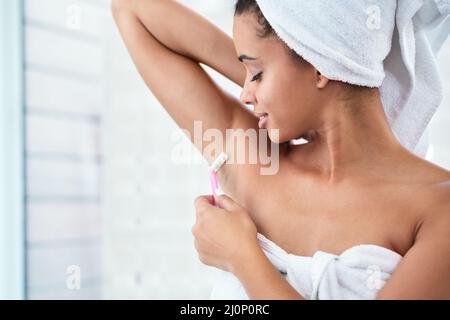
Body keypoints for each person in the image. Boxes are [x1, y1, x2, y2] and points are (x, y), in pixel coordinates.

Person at [112, 0, 450, 299]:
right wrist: (268, 79)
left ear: (319, 66)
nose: (244, 94)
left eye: (256, 73)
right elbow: (131, 8)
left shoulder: (439, 208)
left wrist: (242, 257)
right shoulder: (257, 159)